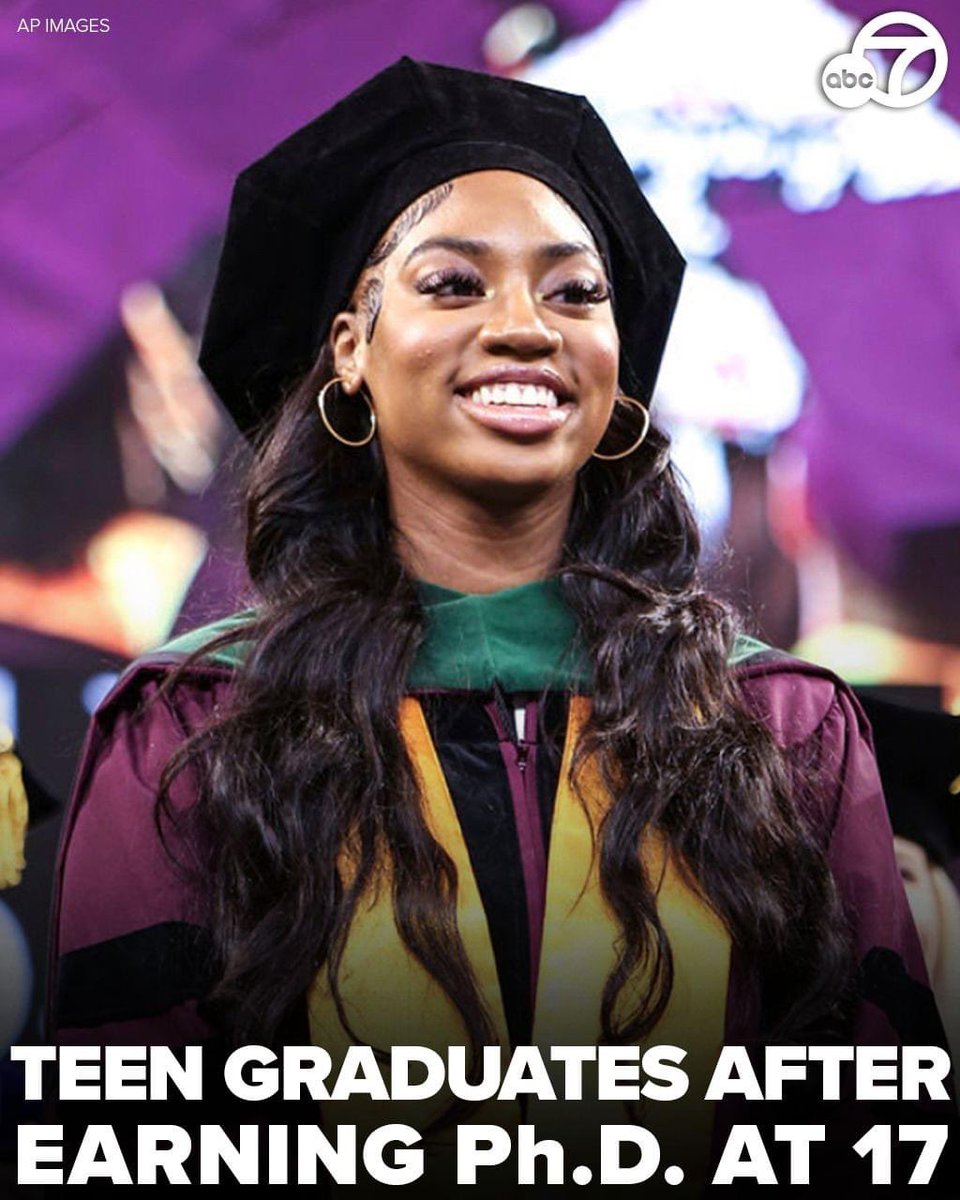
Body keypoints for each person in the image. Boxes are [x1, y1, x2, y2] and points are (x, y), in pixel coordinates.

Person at [49, 60, 952, 1195]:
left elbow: (873, 1136)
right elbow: (127, 1149)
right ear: (348, 350)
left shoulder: (774, 725)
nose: (526, 328)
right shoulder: (194, 728)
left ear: (619, 380)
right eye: (453, 284)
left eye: (576, 295)